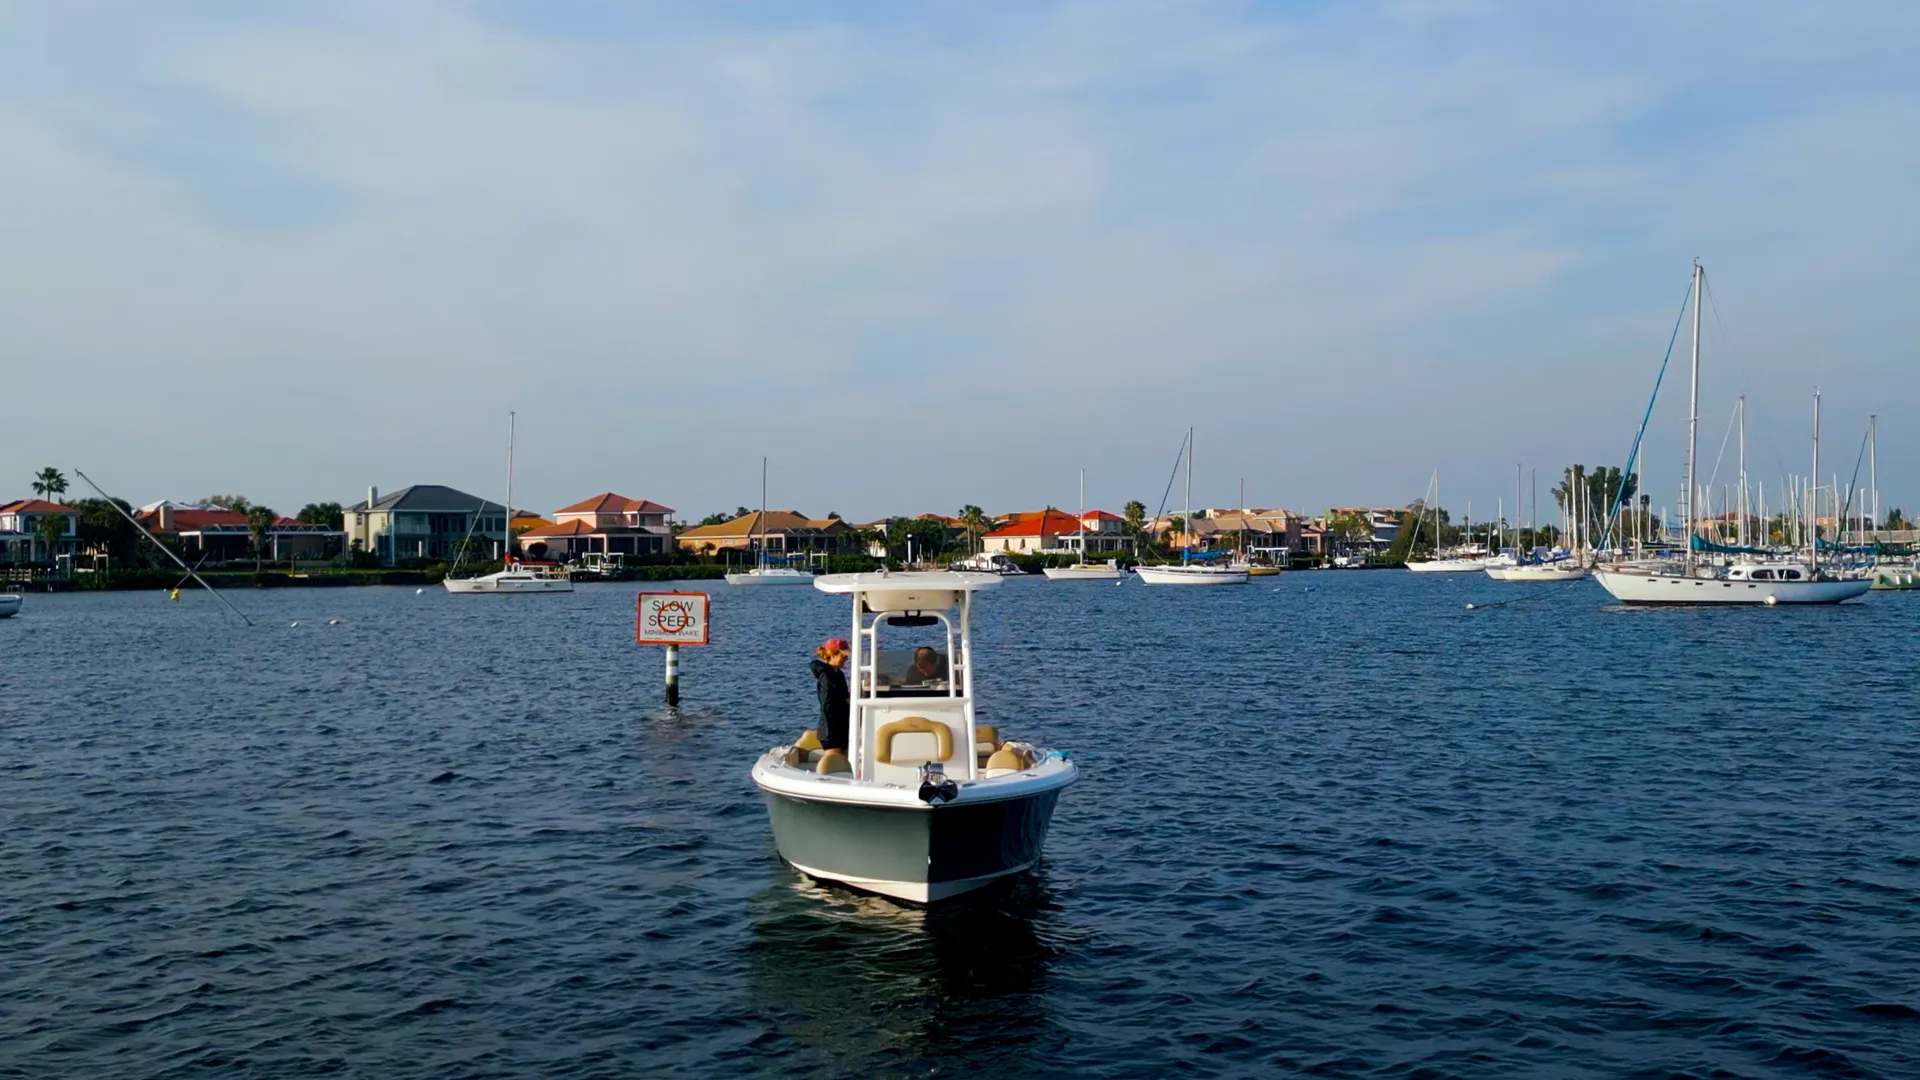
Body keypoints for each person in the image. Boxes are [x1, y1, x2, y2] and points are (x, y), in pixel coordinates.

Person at [812, 638, 851, 752]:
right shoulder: (827, 677)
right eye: (843, 656)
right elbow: (827, 705)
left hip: (838, 729)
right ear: (833, 655)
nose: (846, 659)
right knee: (836, 759)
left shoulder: (837, 673)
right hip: (832, 732)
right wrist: (845, 702)